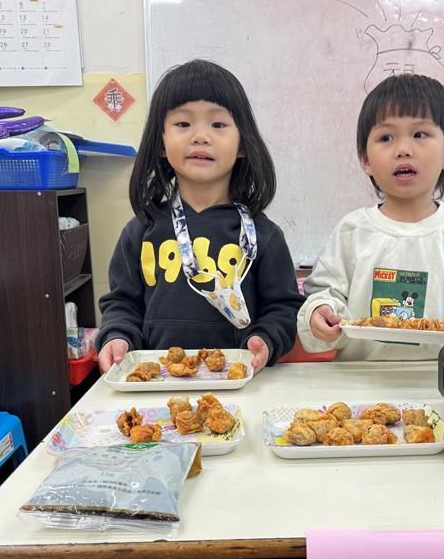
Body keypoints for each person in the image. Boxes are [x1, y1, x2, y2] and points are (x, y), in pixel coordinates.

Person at [97, 60, 303, 373]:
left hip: (240, 382)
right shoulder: (140, 231)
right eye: (183, 124)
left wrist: (266, 338)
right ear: (161, 143)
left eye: (218, 125)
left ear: (242, 145)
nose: (201, 136)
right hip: (159, 383)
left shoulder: (264, 235)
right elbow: (123, 304)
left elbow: (283, 308)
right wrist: (117, 336)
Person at [297, 73, 444, 360]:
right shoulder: (352, 232)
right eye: (386, 137)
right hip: (359, 379)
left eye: (420, 134)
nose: (403, 150)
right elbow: (324, 294)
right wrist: (320, 311)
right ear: (365, 159)